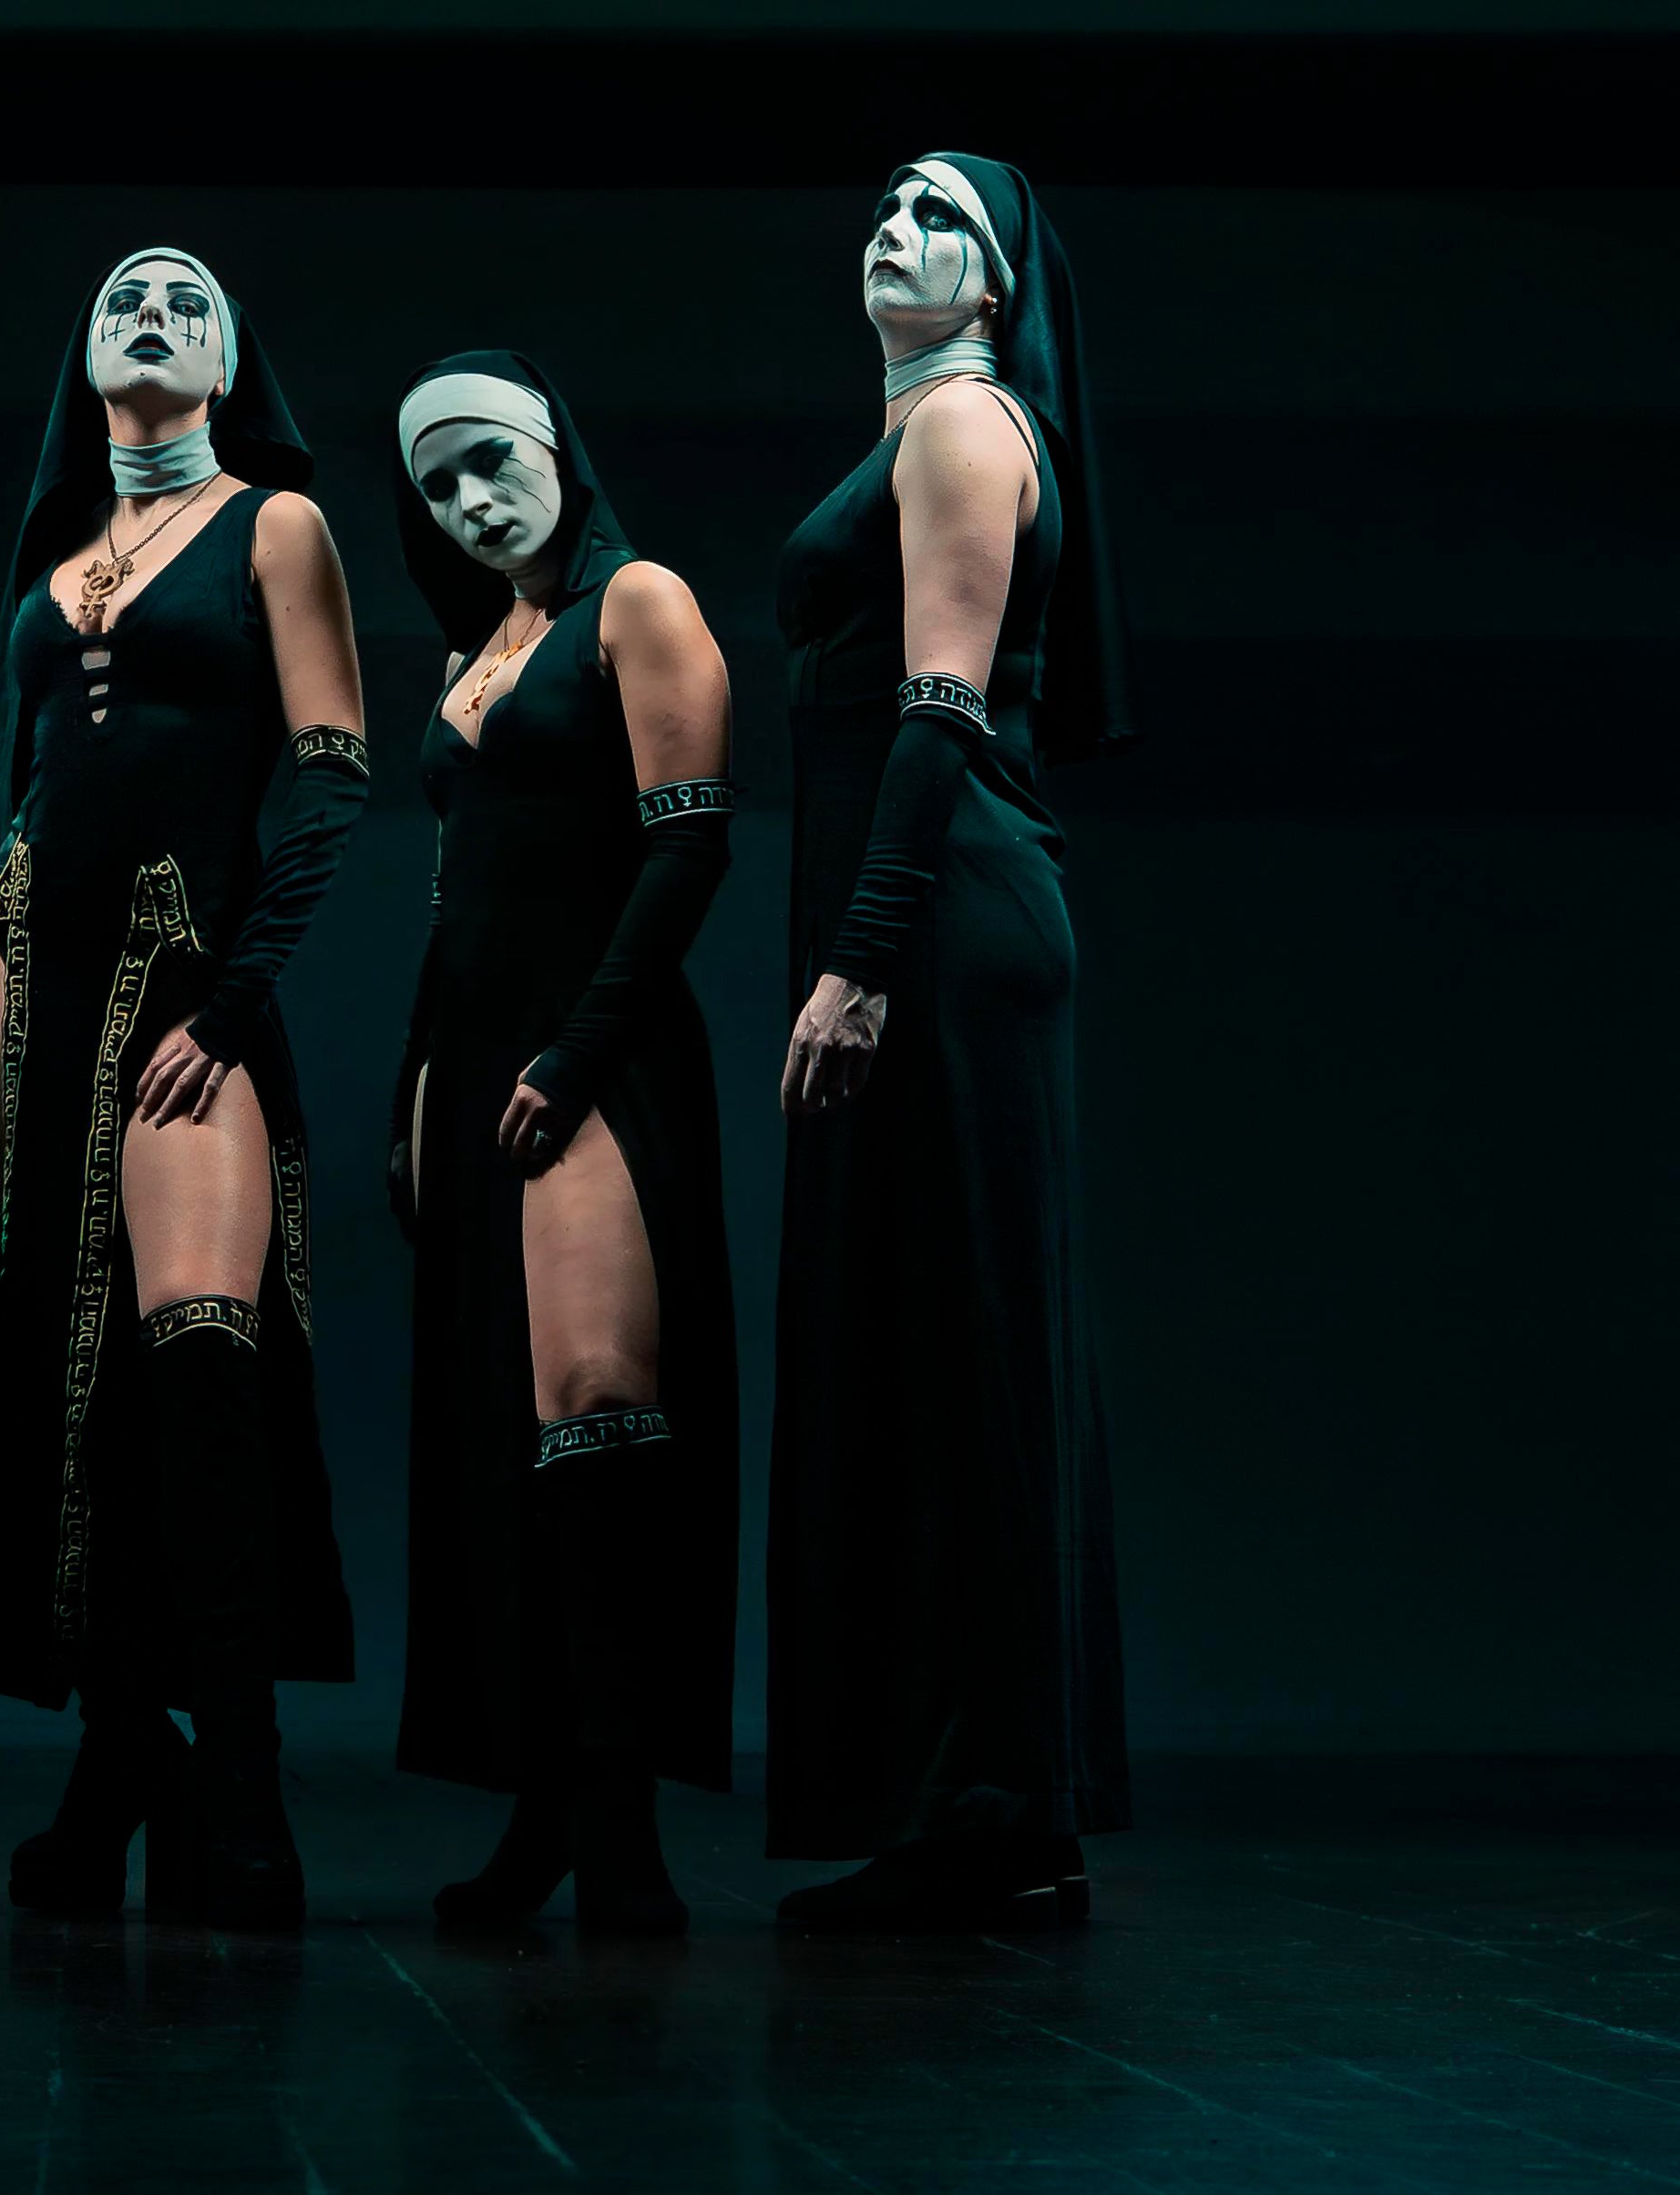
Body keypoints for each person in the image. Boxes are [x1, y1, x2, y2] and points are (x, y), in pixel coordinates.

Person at [0, 247, 363, 1931]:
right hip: (27, 995)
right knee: (65, 1372)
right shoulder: (48, 565)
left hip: (187, 984)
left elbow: (328, 780)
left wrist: (236, 998)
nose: (154, 309)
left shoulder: (276, 527)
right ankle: (117, 1757)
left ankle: (240, 1775)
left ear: (230, 361)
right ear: (87, 355)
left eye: (189, 297)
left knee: (199, 1360)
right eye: (124, 295)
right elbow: (14, 792)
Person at [769, 154, 1138, 1927]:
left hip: (938, 918)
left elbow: (939, 709)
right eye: (882, 207)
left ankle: (995, 1805)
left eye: (936, 217)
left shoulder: (961, 426)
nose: (891, 230)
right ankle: (970, 1802)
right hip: (926, 910)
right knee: (930, 1334)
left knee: (963, 1335)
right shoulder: (923, 428)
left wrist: (857, 960)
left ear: (994, 285)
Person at [384, 353, 740, 1936]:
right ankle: (542, 1807)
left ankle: (619, 1828)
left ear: (552, 447)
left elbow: (688, 849)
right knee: (503, 1434)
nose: (471, 498)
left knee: (597, 1404)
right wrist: (413, 1090)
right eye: (438, 484)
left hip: (595, 1052)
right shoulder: (474, 654)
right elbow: (450, 896)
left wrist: (578, 1050)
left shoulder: (636, 600)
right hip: (470, 1070)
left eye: (488, 459)